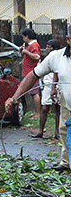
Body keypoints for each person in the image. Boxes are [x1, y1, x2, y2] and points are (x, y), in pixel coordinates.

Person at [7, 34, 71, 172]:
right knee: (64, 130)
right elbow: (33, 75)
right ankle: (66, 162)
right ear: (68, 39)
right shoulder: (56, 57)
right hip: (68, 99)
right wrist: (15, 97)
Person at [36, 39, 62, 141]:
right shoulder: (45, 57)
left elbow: (57, 72)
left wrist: (54, 87)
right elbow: (40, 70)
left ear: (55, 48)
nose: (46, 49)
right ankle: (40, 131)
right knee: (45, 108)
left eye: (49, 47)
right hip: (47, 84)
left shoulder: (60, 57)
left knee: (58, 109)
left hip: (58, 85)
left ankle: (57, 132)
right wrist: (42, 80)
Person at [20, 28, 42, 120]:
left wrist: (26, 52)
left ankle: (37, 114)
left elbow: (37, 57)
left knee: (34, 93)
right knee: (32, 93)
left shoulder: (34, 45)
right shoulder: (29, 45)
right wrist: (22, 51)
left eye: (24, 37)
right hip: (28, 72)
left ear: (27, 36)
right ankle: (35, 112)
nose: (23, 39)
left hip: (32, 72)